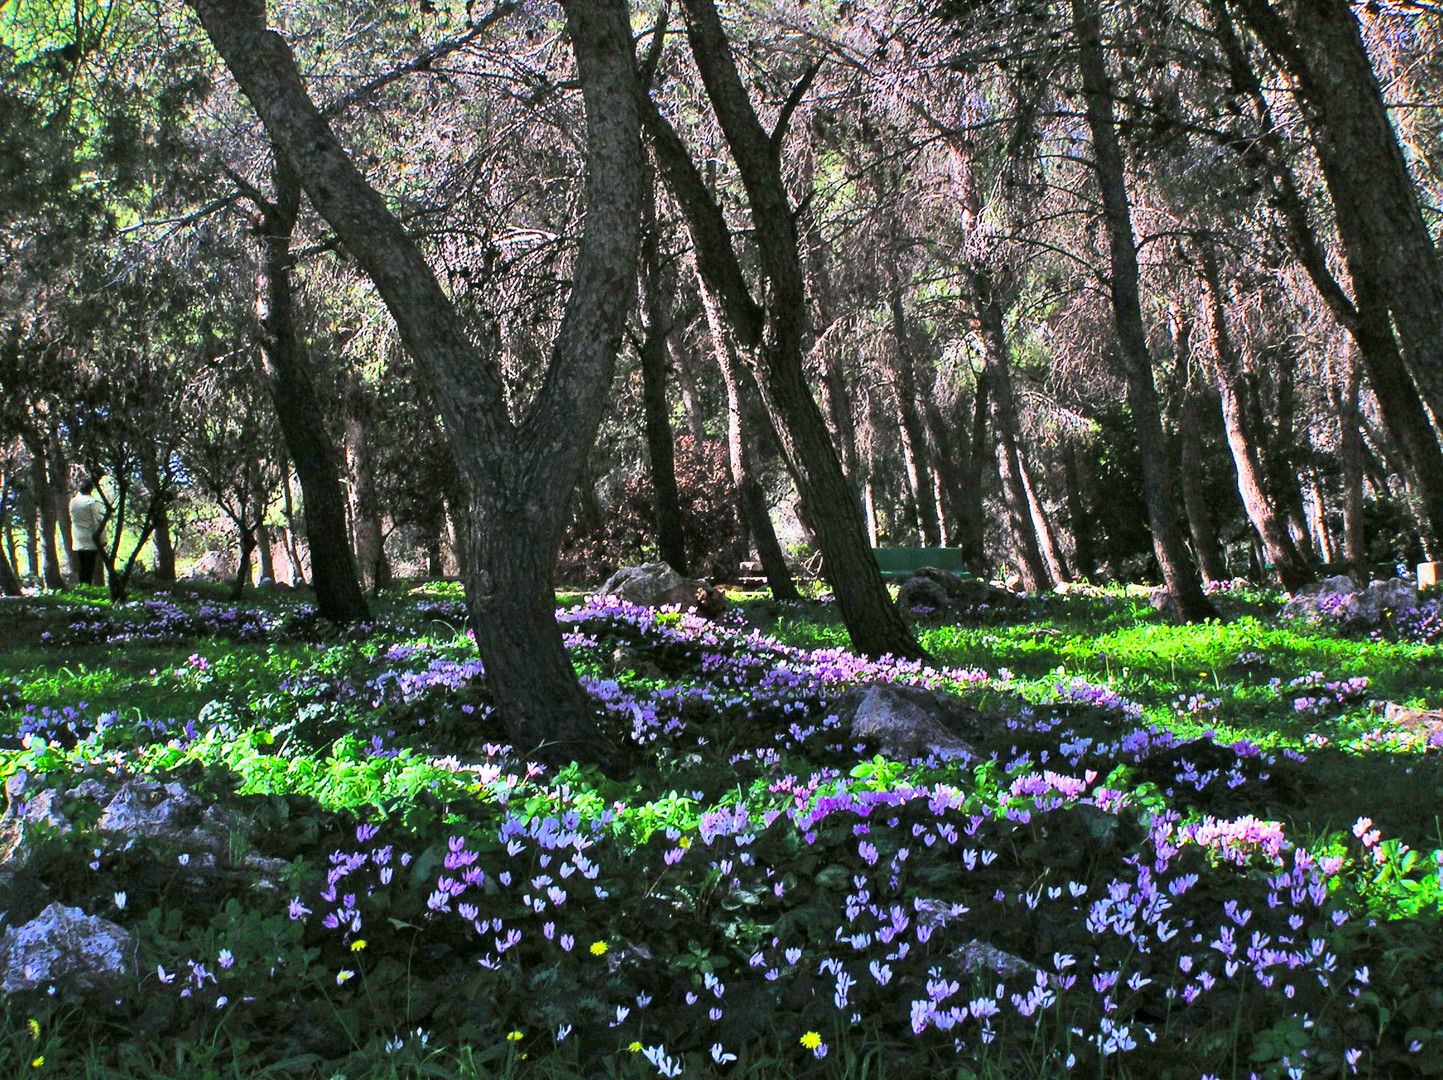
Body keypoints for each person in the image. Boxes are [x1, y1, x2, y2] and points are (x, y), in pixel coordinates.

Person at [68, 479, 109, 586]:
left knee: (82, 566)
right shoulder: (93, 502)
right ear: (91, 489)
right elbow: (99, 522)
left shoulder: (73, 502)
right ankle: (88, 587)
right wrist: (102, 539)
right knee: (90, 566)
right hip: (91, 538)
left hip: (77, 538)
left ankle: (83, 588)